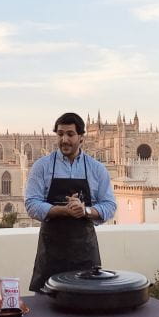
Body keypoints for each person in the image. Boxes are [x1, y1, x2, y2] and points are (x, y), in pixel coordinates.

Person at [25, 112, 117, 292]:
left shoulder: (96, 169)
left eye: (70, 134)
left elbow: (109, 206)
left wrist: (86, 211)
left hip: (85, 254)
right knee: (46, 310)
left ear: (81, 137)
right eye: (60, 134)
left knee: (86, 309)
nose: (64, 139)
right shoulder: (42, 166)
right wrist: (64, 211)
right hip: (51, 254)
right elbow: (31, 204)